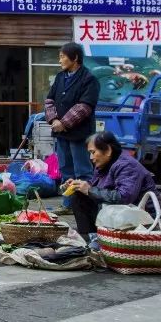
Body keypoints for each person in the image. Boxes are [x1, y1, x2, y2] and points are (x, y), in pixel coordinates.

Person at [62, 130, 158, 238]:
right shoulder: (104, 164)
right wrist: (79, 185)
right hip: (120, 214)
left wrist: (89, 190)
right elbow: (95, 185)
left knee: (89, 195)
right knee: (79, 195)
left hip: (141, 219)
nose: (91, 157)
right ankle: (90, 237)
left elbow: (123, 197)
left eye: (93, 152)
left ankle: (96, 238)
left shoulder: (127, 165)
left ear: (108, 150)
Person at [44, 43, 99, 212]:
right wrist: (53, 119)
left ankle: (85, 204)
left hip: (79, 134)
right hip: (61, 134)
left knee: (82, 170)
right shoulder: (61, 77)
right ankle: (68, 204)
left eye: (62, 56)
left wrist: (64, 123)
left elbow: (84, 106)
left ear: (75, 58)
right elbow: (49, 100)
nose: (60, 60)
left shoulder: (89, 79)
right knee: (65, 170)